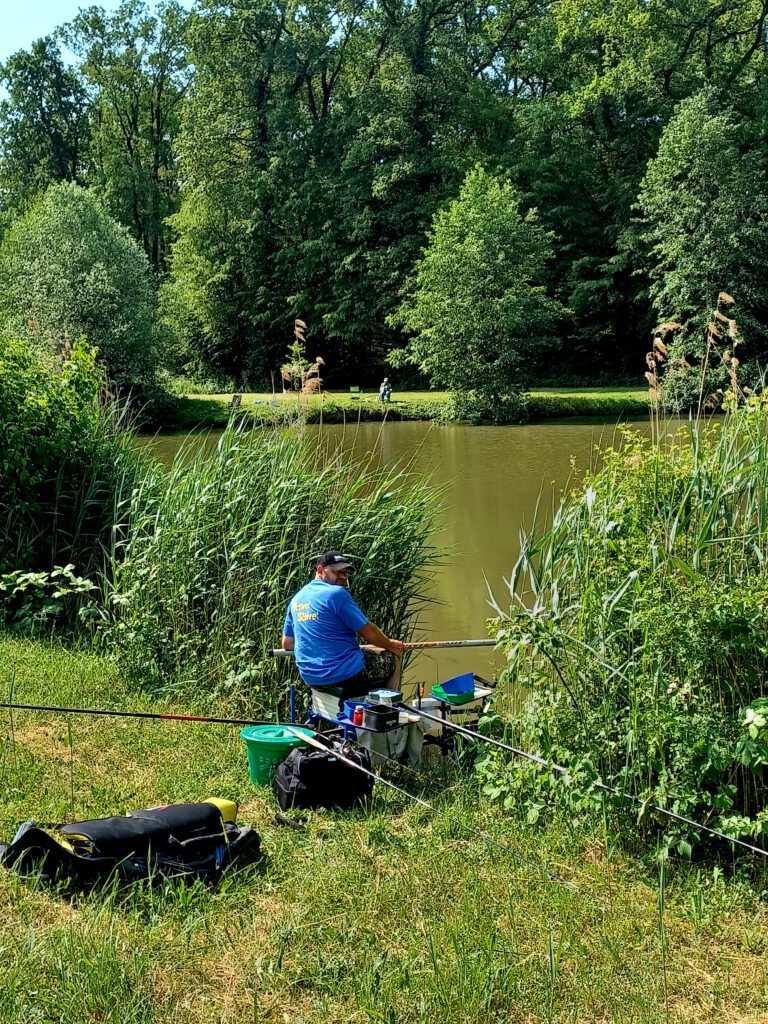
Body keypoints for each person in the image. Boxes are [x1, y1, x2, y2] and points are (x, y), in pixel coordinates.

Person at [281, 551, 405, 705]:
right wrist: (391, 646)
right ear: (320, 570)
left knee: (376, 651)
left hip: (310, 676)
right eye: (336, 572)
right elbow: (369, 632)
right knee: (393, 655)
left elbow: (287, 643)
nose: (342, 577)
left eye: (345, 573)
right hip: (343, 674)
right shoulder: (336, 594)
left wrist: (321, 642)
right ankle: (389, 711)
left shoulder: (297, 599)